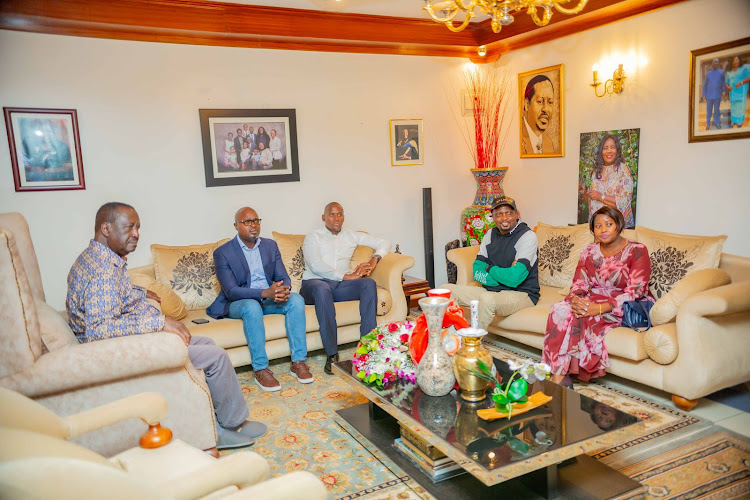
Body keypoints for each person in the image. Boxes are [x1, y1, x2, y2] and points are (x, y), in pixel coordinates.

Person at [66, 202, 266, 452]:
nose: (136, 234)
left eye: (138, 227)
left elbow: (109, 300)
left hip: (126, 342)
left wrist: (140, 291)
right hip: (120, 353)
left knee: (205, 343)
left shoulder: (97, 258)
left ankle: (224, 420)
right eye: (129, 227)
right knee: (215, 357)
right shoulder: (103, 271)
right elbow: (100, 330)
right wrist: (158, 321)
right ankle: (223, 429)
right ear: (106, 228)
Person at [542, 206, 653, 387]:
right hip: (592, 298)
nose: (603, 230)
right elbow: (579, 283)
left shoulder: (637, 250)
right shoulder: (588, 251)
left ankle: (562, 376)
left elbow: (636, 291)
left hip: (625, 304)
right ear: (593, 230)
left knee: (587, 316)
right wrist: (577, 300)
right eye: (598, 226)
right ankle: (557, 371)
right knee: (559, 309)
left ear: (619, 225)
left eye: (608, 224)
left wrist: (600, 308)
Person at [207, 207, 313, 392]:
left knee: (296, 300)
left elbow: (283, 276)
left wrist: (282, 289)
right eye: (247, 222)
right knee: (252, 306)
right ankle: (261, 369)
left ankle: (298, 362)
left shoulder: (270, 246)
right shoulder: (223, 252)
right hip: (238, 303)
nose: (253, 225)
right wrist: (265, 292)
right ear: (236, 226)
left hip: (269, 299)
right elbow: (231, 291)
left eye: (256, 221)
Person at [301, 202, 391, 375]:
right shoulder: (314, 237)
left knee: (368, 283)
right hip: (314, 284)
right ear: (324, 217)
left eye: (340, 214)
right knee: (322, 289)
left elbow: (384, 242)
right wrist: (345, 276)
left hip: (338, 287)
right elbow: (315, 264)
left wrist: (375, 259)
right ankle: (332, 353)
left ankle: (368, 347)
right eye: (332, 214)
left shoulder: (352, 235)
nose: (336, 218)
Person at [442, 195, 540, 329]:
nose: (504, 218)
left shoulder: (527, 236)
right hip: (492, 290)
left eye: (508, 213)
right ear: (492, 217)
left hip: (522, 294)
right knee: (445, 290)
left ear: (517, 215)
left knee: (487, 299)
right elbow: (476, 270)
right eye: (499, 214)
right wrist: (500, 278)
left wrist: (489, 269)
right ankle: (450, 336)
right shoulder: (490, 235)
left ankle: (474, 343)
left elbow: (515, 278)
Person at [587, 134, 634, 228]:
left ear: (617, 150)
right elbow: (593, 202)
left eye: (612, 147)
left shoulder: (623, 169)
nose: (609, 151)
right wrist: (584, 193)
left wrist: (601, 196)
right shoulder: (597, 171)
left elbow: (625, 203)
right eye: (605, 148)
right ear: (601, 151)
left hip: (616, 227)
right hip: (597, 227)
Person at [521, 75, 556, 155]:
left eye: (550, 102)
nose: (546, 109)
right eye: (540, 101)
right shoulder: (517, 140)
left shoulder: (548, 143)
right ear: (526, 104)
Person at [726, 56, 750, 128]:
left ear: (739, 61)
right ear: (732, 63)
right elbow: (726, 82)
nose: (735, 62)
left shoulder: (744, 69)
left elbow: (749, 78)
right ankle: (733, 121)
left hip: (740, 93)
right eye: (733, 61)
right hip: (732, 93)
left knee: (740, 107)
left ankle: (739, 122)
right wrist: (728, 87)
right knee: (733, 107)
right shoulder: (729, 72)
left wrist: (741, 83)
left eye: (736, 60)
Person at [702, 58, 725, 130]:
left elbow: (723, 83)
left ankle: (717, 122)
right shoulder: (708, 74)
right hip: (709, 95)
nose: (715, 63)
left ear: (718, 64)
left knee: (716, 110)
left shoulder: (721, 72)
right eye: (714, 62)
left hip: (718, 95)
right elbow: (704, 85)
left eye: (716, 62)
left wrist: (724, 91)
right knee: (709, 110)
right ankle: (708, 123)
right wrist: (703, 95)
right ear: (712, 64)